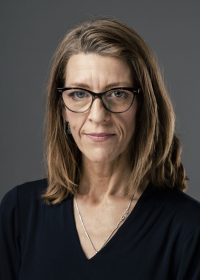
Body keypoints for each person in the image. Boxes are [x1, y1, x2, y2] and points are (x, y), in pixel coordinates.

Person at [0, 17, 200, 280]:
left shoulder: (188, 227)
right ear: (61, 109)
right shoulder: (19, 212)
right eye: (79, 94)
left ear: (144, 108)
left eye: (117, 93)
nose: (97, 115)